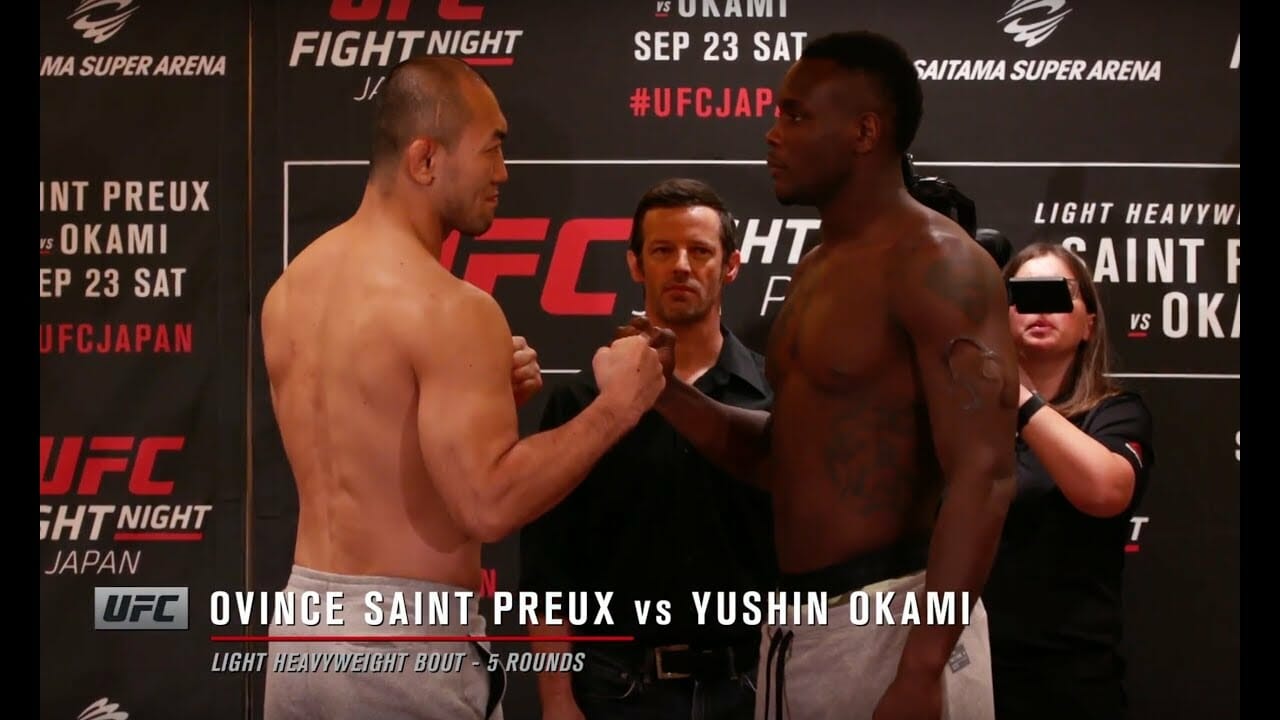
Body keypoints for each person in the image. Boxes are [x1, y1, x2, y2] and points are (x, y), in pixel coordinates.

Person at [622, 31, 1018, 719]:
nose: (773, 134)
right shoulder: (816, 267)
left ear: (865, 131)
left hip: (897, 620)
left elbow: (984, 475)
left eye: (797, 115)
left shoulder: (939, 264)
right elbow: (787, 454)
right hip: (798, 631)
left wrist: (923, 667)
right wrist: (669, 394)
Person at [258, 55, 667, 720]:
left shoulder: (290, 289)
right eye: (492, 148)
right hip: (402, 648)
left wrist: (490, 406)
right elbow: (488, 504)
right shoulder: (450, 307)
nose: (503, 172)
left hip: (302, 632)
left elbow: (375, 455)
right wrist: (619, 406)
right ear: (426, 159)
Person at [520, 178, 777, 720]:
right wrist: (556, 699)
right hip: (617, 691)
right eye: (663, 250)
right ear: (636, 265)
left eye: (700, 251)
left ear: (731, 266)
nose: (681, 266)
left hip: (754, 686)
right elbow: (549, 572)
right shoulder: (582, 402)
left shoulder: (776, 397)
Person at [983, 242, 1155, 720]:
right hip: (965, 668)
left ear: (1089, 324)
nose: (1039, 309)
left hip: (1069, 681)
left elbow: (1105, 491)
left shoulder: (1116, 414)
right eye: (1024, 295)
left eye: (1057, 294)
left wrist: (1019, 396)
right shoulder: (965, 421)